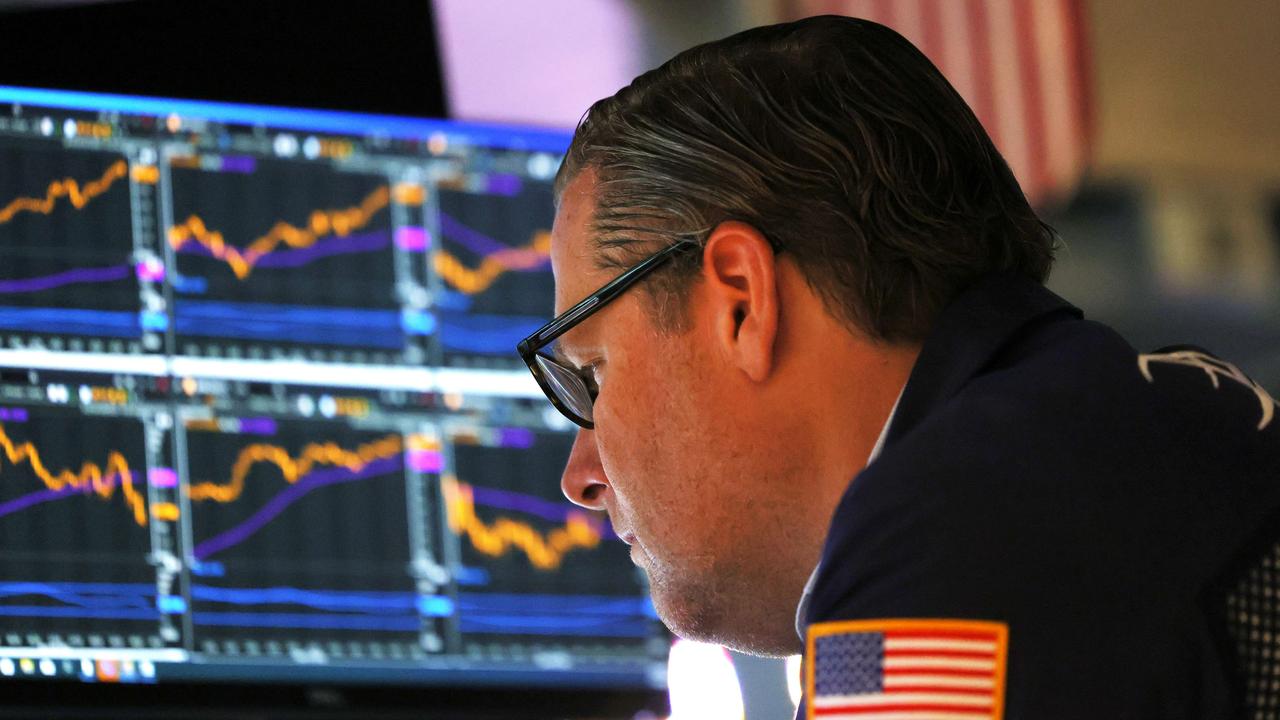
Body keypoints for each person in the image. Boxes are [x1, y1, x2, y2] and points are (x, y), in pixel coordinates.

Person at [514, 15, 1280, 719]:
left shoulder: (946, 545)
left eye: (598, 374)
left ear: (741, 301)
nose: (579, 476)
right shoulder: (1134, 418)